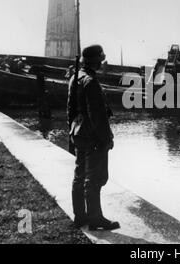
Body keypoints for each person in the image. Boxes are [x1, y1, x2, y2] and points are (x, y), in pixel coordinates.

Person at [67, 45, 120, 231]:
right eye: (100, 59)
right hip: (92, 136)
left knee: (79, 176)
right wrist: (107, 139)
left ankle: (80, 216)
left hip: (78, 133)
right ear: (94, 61)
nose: (102, 62)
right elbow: (97, 116)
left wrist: (71, 133)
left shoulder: (75, 77)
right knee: (94, 178)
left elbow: (70, 110)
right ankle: (96, 218)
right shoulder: (91, 82)